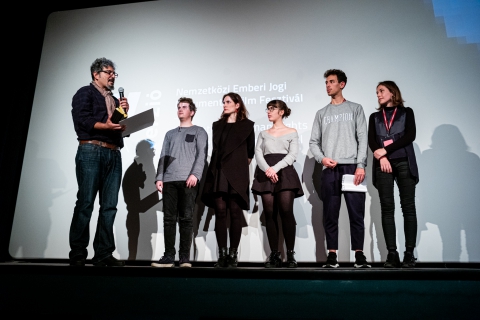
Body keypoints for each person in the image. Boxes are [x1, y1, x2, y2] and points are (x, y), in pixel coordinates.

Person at [70, 57, 129, 267]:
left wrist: (124, 113)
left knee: (109, 206)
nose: (113, 76)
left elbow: (115, 124)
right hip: (91, 150)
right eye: (109, 72)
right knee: (86, 203)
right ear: (96, 74)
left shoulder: (114, 99)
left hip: (113, 153)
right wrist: (106, 127)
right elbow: (82, 120)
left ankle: (103, 253)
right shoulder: (84, 93)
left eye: (114, 73)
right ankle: (78, 254)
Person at [309, 69, 370, 268]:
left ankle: (359, 255)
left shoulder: (355, 109)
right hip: (330, 170)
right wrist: (322, 159)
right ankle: (332, 255)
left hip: (352, 167)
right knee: (330, 213)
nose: (328, 85)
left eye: (332, 82)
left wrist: (361, 165)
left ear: (342, 84)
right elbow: (313, 142)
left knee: (356, 213)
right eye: (326, 82)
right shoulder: (321, 113)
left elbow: (363, 138)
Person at [152, 98, 208, 268]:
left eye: (184, 107)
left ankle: (184, 258)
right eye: (178, 107)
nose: (180, 109)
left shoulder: (199, 131)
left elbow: (201, 155)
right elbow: (163, 155)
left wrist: (195, 174)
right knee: (169, 220)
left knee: (186, 219)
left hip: (188, 180)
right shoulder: (170, 134)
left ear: (192, 112)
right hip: (169, 180)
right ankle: (169, 256)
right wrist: (159, 177)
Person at [368, 81, 419, 268]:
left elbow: (410, 136)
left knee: (408, 207)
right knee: (387, 207)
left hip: (404, 161)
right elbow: (372, 141)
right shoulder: (374, 117)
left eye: (381, 91)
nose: (378, 95)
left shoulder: (407, 113)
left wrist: (385, 151)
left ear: (392, 92)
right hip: (383, 164)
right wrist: (382, 157)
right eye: (376, 92)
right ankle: (392, 254)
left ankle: (409, 254)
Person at [201, 92, 255, 268]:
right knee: (221, 212)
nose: (224, 105)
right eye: (223, 102)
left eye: (228, 102)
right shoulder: (217, 126)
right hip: (219, 172)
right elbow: (216, 150)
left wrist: (237, 166)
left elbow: (250, 153)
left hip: (237, 173)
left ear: (237, 105)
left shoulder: (247, 126)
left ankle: (233, 255)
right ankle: (222, 255)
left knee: (235, 212)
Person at [251, 100, 304, 268]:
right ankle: (274, 254)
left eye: (272, 109)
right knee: (269, 212)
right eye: (268, 109)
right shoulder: (263, 133)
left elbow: (293, 154)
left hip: (284, 172)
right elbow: (258, 153)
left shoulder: (291, 132)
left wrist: (275, 168)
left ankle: (290, 255)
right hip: (266, 173)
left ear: (281, 112)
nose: (269, 112)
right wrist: (268, 169)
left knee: (286, 211)